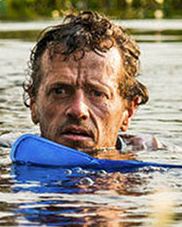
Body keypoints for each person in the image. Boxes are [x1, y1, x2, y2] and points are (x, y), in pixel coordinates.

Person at [22, 11, 160, 154]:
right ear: (33, 103)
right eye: (59, 91)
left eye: (98, 93)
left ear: (128, 112)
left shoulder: (162, 161)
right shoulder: (2, 155)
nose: (78, 110)